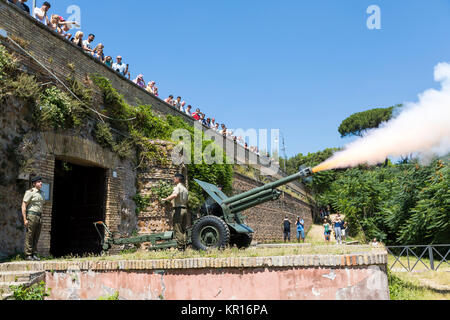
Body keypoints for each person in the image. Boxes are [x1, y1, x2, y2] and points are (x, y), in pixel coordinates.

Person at [162, 173, 189, 250]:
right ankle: (184, 246)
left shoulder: (177, 187)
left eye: (174, 178)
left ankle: (180, 248)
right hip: (184, 209)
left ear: (178, 179)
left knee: (177, 228)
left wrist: (166, 199)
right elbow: (186, 200)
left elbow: (175, 195)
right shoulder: (185, 189)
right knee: (183, 229)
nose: (173, 179)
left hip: (178, 210)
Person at [22, 176, 45, 261]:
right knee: (30, 235)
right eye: (39, 182)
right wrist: (25, 219)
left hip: (39, 216)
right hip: (31, 215)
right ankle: (28, 255)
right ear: (34, 183)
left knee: (36, 235)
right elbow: (24, 205)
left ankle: (34, 253)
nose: (41, 183)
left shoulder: (42, 193)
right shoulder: (30, 192)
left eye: (41, 181)